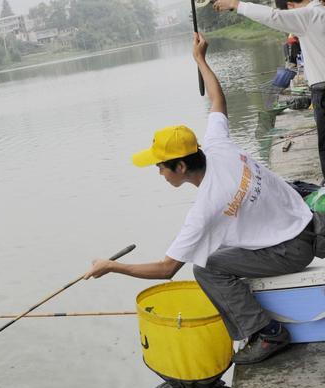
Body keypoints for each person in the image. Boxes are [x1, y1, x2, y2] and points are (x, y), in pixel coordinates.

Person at [84, 33, 316, 365]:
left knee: (207, 267)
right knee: (215, 249)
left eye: (161, 167)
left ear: (180, 166)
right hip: (304, 220)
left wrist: (113, 266)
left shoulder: (206, 206)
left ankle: (267, 332)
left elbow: (166, 270)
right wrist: (200, 60)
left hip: (293, 248)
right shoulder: (216, 144)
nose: (159, 174)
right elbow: (217, 99)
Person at [213, 0, 325, 184]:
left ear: (290, 6)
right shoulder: (320, 13)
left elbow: (273, 16)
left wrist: (236, 4)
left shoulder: (308, 16)